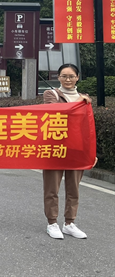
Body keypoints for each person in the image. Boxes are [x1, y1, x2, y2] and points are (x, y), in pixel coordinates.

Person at [42, 63, 95, 240]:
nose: (68, 79)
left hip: (76, 149)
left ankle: (69, 223)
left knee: (74, 189)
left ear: (77, 78)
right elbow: (55, 112)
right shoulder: (51, 94)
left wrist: (91, 153)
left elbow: (88, 128)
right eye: (64, 76)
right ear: (58, 78)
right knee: (52, 188)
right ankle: (52, 223)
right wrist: (81, 103)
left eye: (71, 76)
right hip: (55, 149)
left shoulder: (84, 99)